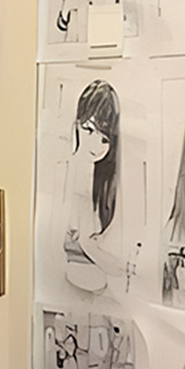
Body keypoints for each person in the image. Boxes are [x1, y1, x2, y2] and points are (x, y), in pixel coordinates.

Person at [63, 80, 123, 293]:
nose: (95, 144)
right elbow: (85, 243)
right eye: (88, 129)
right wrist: (124, 269)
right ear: (76, 126)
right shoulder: (67, 171)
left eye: (104, 139)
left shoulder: (99, 178)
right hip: (72, 274)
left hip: (90, 274)